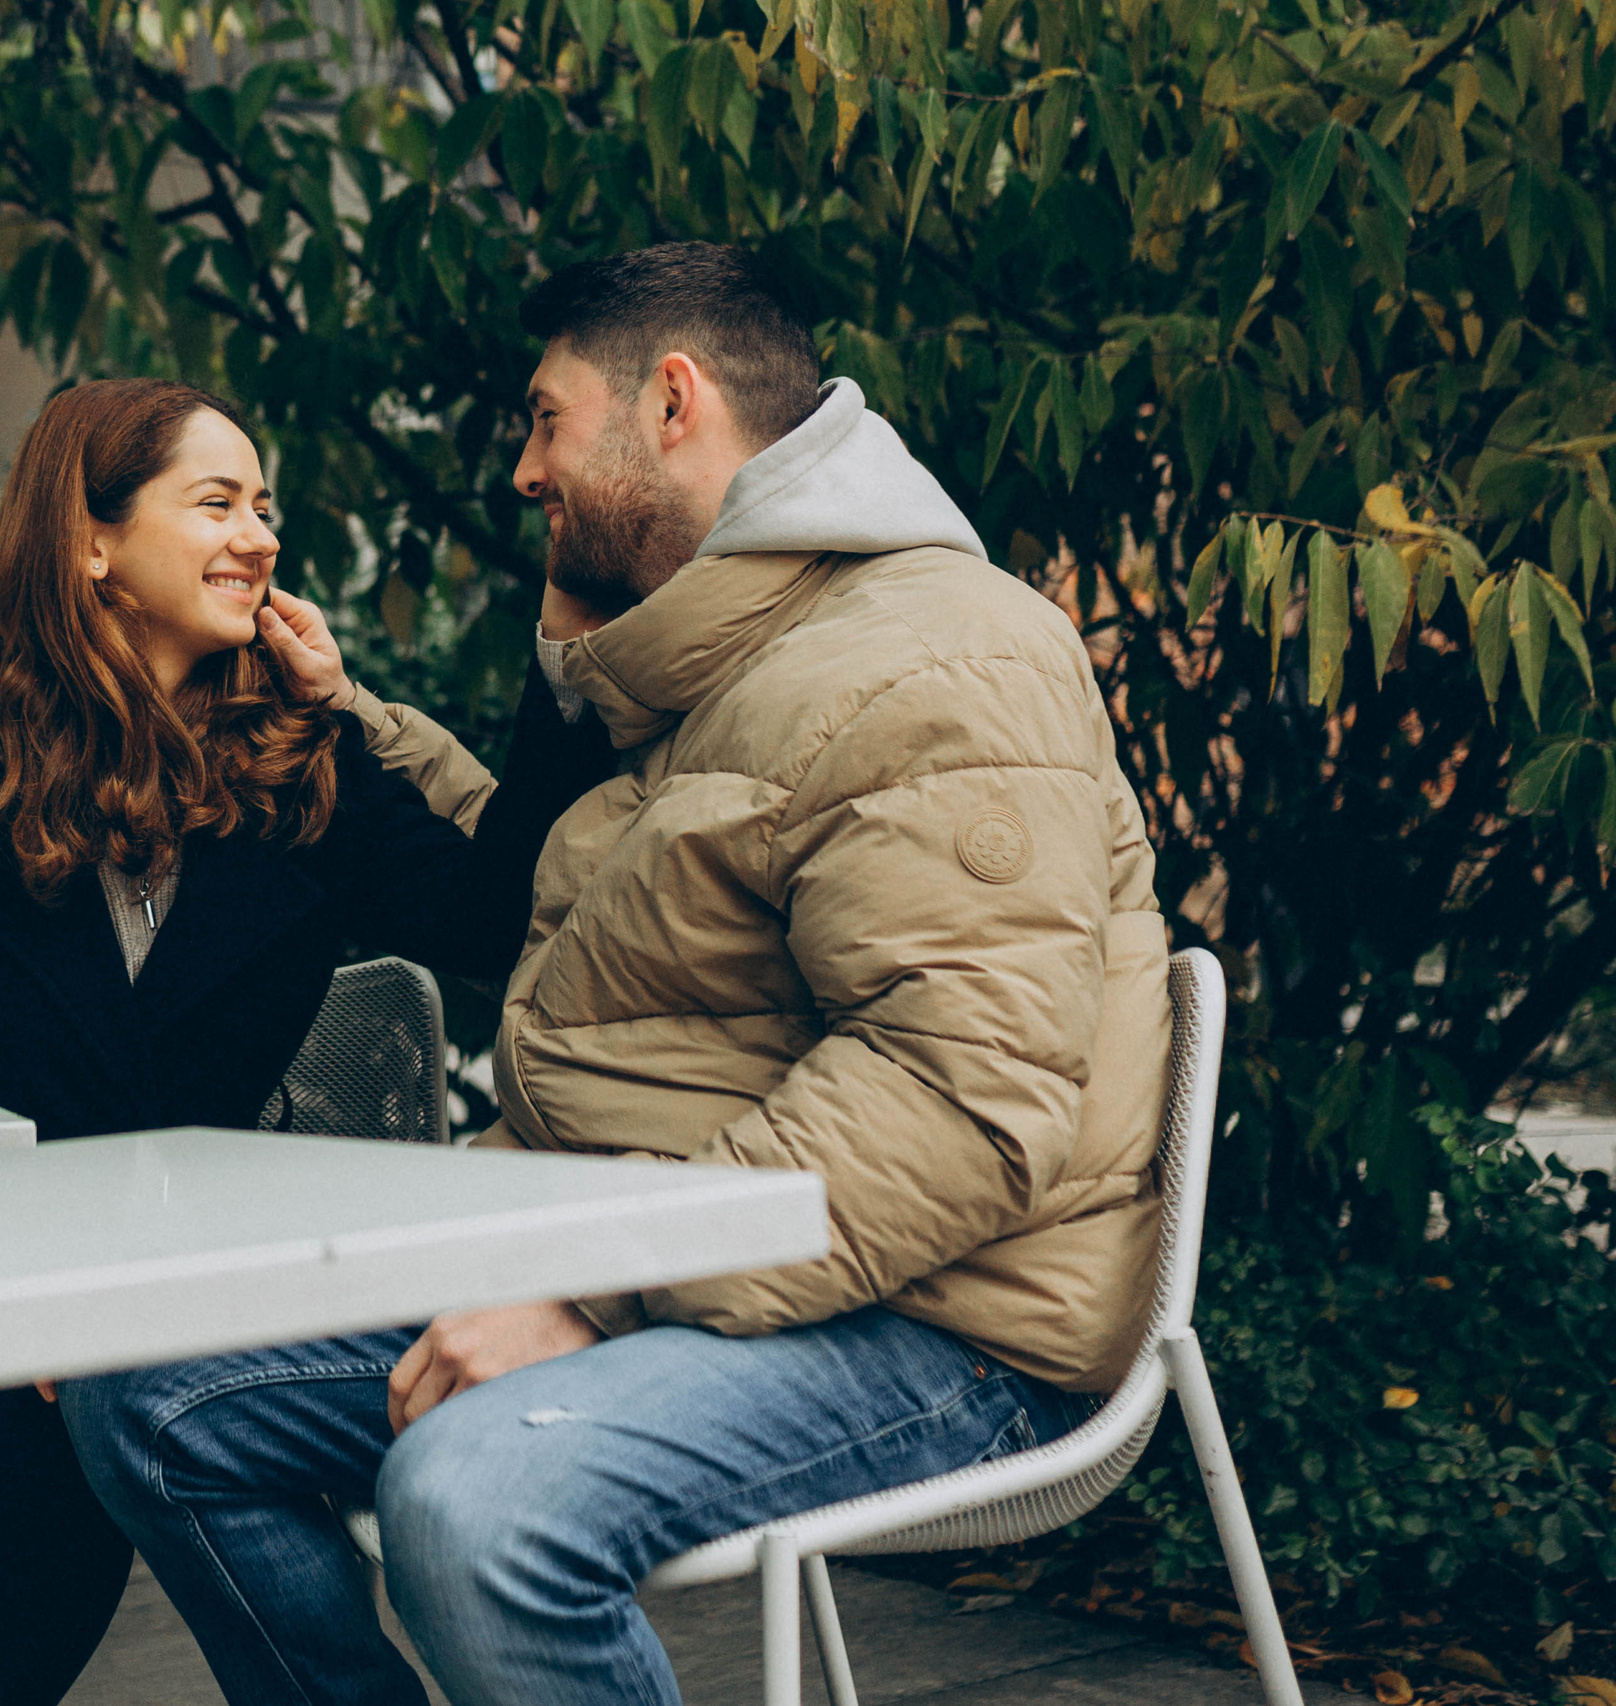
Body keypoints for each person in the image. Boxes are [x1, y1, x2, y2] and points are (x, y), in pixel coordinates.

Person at [60, 243, 1174, 1704]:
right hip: (673, 1254)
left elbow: (954, 1103)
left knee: (475, 1502)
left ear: (671, 401)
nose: (524, 470)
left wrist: (597, 1295)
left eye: (542, 419)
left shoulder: (936, 660)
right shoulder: (712, 657)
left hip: (942, 1321)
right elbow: (539, 899)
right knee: (149, 1392)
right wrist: (357, 721)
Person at [0, 377, 613, 1706]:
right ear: (91, 540)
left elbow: (499, 912)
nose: (262, 534)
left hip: (160, 1313)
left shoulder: (306, 762)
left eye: (264, 506)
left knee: (0, 1486)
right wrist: (11, 1289)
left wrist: (563, 659)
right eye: (216, 501)